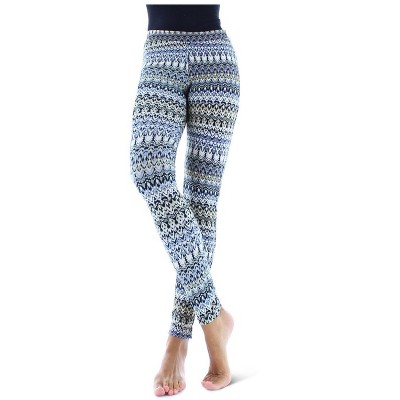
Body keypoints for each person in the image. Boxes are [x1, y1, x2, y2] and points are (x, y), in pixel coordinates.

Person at [129, 4, 240, 396]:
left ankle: (178, 341)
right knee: (148, 168)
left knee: (200, 205)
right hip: (161, 54)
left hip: (216, 58)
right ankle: (213, 318)